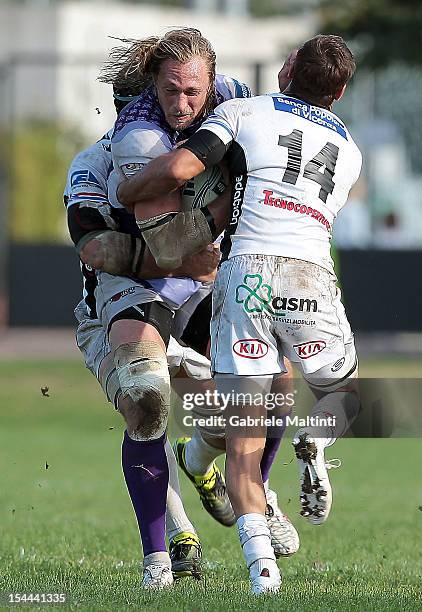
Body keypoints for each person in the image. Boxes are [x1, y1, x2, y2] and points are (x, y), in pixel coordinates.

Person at [115, 34, 362, 594]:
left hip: (246, 274)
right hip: (309, 275)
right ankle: (317, 441)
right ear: (341, 92)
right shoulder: (350, 148)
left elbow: (177, 168)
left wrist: (130, 189)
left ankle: (262, 575)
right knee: (343, 396)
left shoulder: (242, 110)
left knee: (243, 436)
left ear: (287, 68)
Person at [68, 28, 298, 590]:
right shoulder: (108, 156)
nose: (179, 108)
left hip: (197, 290)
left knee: (276, 379)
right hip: (127, 295)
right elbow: (99, 247)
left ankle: (248, 486)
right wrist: (206, 226)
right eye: (162, 96)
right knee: (147, 398)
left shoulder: (225, 115)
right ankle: (158, 563)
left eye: (191, 93)